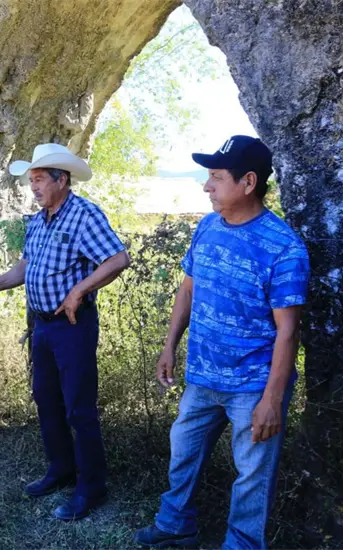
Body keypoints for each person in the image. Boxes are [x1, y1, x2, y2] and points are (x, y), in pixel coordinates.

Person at [133, 136, 310, 549]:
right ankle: (176, 525)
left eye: (215, 177)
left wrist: (272, 399)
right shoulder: (208, 226)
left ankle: (242, 545)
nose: (206, 186)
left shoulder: (283, 247)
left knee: (252, 476)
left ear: (248, 182)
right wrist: (169, 345)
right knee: (183, 453)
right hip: (202, 376)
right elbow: (188, 289)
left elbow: (288, 331)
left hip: (253, 385)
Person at [0, 143, 131, 521]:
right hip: (42, 326)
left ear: (61, 179)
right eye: (30, 181)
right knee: (47, 400)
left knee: (79, 407)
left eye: (37, 180)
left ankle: (91, 487)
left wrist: (79, 290)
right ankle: (61, 469)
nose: (32, 188)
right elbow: (26, 267)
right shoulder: (38, 220)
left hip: (72, 326)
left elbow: (118, 258)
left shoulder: (84, 215)